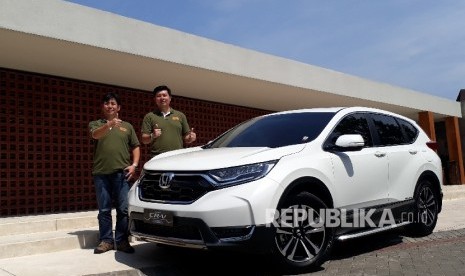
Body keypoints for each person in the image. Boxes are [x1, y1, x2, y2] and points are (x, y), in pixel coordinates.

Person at [88, 93, 140, 254]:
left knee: (123, 210)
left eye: (113, 103)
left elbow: (136, 146)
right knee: (104, 210)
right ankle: (106, 241)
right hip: (101, 173)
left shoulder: (128, 127)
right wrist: (109, 125)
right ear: (102, 107)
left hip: (122, 174)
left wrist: (134, 165)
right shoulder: (96, 124)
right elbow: (95, 135)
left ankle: (122, 241)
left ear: (118, 108)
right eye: (106, 103)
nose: (109, 106)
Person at [141, 85, 196, 157]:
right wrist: (152, 135)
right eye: (159, 96)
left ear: (170, 98)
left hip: (178, 156)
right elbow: (144, 140)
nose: (162, 98)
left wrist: (190, 138)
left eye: (164, 95)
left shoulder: (180, 115)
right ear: (154, 99)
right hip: (158, 157)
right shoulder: (149, 116)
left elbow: (186, 138)